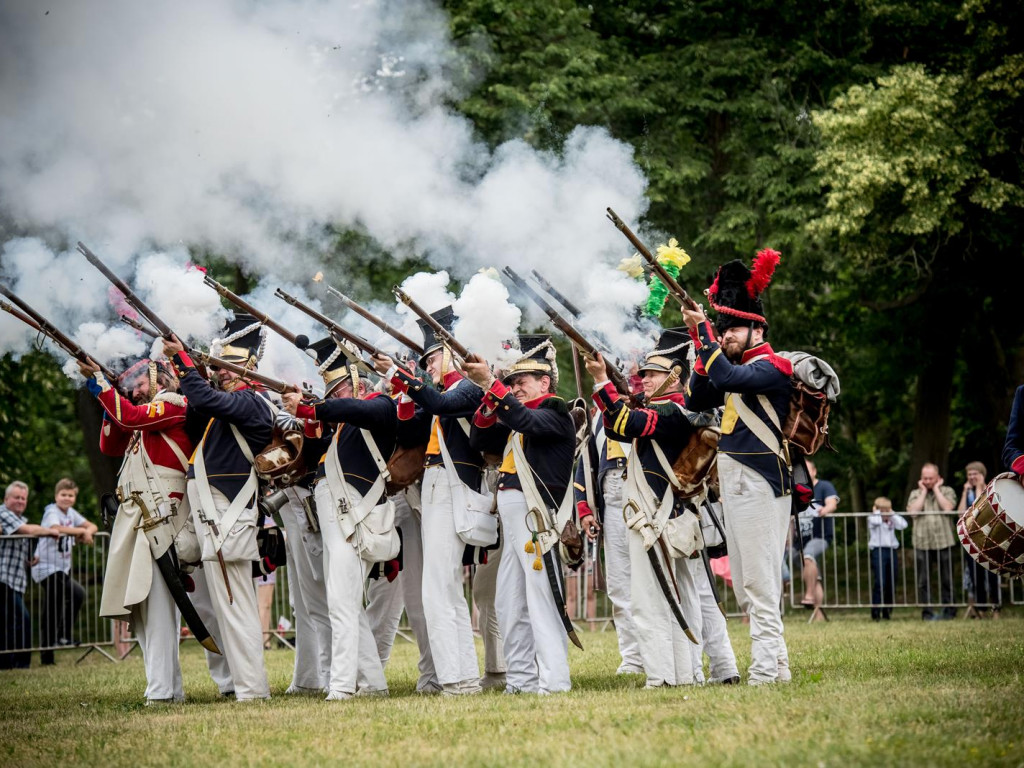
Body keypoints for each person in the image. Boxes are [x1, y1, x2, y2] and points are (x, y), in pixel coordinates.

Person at [682, 249, 794, 685]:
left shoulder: (773, 365)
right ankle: (777, 665)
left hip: (760, 481)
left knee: (759, 582)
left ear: (755, 327)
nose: (726, 335)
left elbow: (727, 379)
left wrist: (705, 335)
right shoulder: (735, 364)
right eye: (723, 329)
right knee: (748, 577)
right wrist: (700, 341)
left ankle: (766, 669)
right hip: (736, 481)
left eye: (732, 329)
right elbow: (696, 398)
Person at [372, 306, 497, 696]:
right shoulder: (440, 390)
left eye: (432, 356)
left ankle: (457, 679)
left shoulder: (469, 385)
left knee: (439, 588)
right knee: (438, 588)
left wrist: (401, 376)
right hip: (435, 485)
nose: (428, 364)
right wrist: (400, 386)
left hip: (452, 484)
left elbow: (442, 406)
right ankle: (459, 676)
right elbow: (409, 425)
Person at [164, 314, 274, 700]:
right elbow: (199, 410)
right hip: (215, 517)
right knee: (226, 607)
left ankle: (252, 690)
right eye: (218, 368)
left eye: (227, 368)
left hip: (228, 516)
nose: (221, 375)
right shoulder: (226, 404)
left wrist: (182, 361)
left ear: (249, 367)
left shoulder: (253, 402)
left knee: (236, 606)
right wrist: (194, 371)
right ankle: (244, 687)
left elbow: (209, 400)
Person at [585, 329, 703, 688]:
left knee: (651, 599)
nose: (643, 379)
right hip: (659, 515)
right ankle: (685, 673)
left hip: (656, 515)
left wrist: (603, 380)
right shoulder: (667, 410)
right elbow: (619, 428)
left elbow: (626, 423)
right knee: (673, 597)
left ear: (675, 375)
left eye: (652, 374)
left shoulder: (672, 410)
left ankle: (662, 676)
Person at [283, 343, 398, 701]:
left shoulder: (380, 407)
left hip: (352, 513)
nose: (333, 400)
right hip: (335, 513)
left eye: (338, 391)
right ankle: (374, 683)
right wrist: (309, 415)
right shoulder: (340, 429)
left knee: (341, 601)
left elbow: (350, 407)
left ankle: (343, 686)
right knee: (343, 599)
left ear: (359, 386)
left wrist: (311, 405)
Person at [466, 335, 576, 695]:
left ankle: (555, 680)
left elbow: (526, 419)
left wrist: (492, 384)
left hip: (535, 517)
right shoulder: (517, 417)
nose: (516, 388)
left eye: (521, 382)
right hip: (514, 518)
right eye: (512, 382)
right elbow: (479, 438)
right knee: (508, 602)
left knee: (542, 601)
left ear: (545, 382)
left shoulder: (556, 411)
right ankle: (521, 681)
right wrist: (490, 392)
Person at [83, 356, 197, 702]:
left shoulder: (174, 404)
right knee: (148, 612)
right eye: (131, 387)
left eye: (140, 384)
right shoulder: (139, 417)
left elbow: (129, 417)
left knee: (159, 608)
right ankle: (169, 689)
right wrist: (113, 395)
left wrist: (101, 384)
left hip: (163, 519)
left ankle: (161, 692)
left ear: (159, 378)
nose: (135, 391)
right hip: (142, 518)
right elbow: (110, 444)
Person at [573, 414, 644, 676]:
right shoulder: (600, 417)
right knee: (620, 587)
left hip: (645, 499)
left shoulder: (642, 406)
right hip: (611, 504)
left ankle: (655, 651)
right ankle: (633, 658)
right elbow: (587, 460)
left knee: (652, 585)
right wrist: (584, 507)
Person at [31, 478, 96, 664]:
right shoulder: (52, 510)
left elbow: (92, 525)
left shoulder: (70, 513)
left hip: (61, 569)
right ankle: (48, 653)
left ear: (75, 497)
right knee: (53, 606)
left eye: (70, 495)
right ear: (56, 496)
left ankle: (63, 634)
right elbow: (56, 528)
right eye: (63, 495)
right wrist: (80, 532)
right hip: (45, 567)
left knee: (77, 594)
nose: (66, 498)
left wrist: (88, 532)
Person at [1, 481, 60, 669]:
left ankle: (10, 663)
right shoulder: (3, 513)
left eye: (23, 498)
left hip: (16, 580)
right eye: (16, 497)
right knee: (21, 619)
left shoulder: (20, 520)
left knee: (11, 621)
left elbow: (23, 549)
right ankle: (19, 664)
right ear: (6, 499)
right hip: (3, 578)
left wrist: (31, 558)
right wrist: (50, 531)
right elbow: (27, 531)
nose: (20, 501)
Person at [906, 462, 958, 620]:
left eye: (931, 478)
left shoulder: (947, 491)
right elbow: (913, 512)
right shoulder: (915, 493)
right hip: (922, 542)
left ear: (938, 478)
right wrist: (923, 492)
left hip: (944, 541)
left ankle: (949, 612)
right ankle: (927, 613)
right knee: (923, 581)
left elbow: (948, 508)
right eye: (925, 478)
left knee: (947, 579)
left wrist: (936, 489)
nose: (928, 481)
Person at [795, 459, 839, 616]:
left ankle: (809, 596)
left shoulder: (824, 486)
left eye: (807, 470)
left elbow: (832, 503)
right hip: (798, 541)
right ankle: (818, 615)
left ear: (814, 472)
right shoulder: (796, 489)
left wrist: (825, 510)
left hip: (819, 536)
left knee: (808, 556)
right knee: (814, 576)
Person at [957, 461, 1000, 618]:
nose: (972, 477)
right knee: (976, 576)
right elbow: (960, 513)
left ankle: (995, 609)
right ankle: (981, 609)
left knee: (991, 575)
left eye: (975, 474)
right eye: (969, 474)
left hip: (989, 539)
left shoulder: (989, 491)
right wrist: (964, 492)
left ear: (982, 474)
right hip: (972, 540)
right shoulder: (967, 492)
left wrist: (978, 489)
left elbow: (978, 510)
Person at [866, 496, 907, 620]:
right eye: (882, 509)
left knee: (891, 582)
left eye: (887, 509)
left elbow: (903, 525)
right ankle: (876, 611)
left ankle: (887, 610)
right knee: (880, 582)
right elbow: (876, 521)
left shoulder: (891, 517)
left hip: (891, 550)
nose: (885, 512)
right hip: (878, 550)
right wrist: (878, 512)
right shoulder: (872, 517)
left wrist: (891, 514)